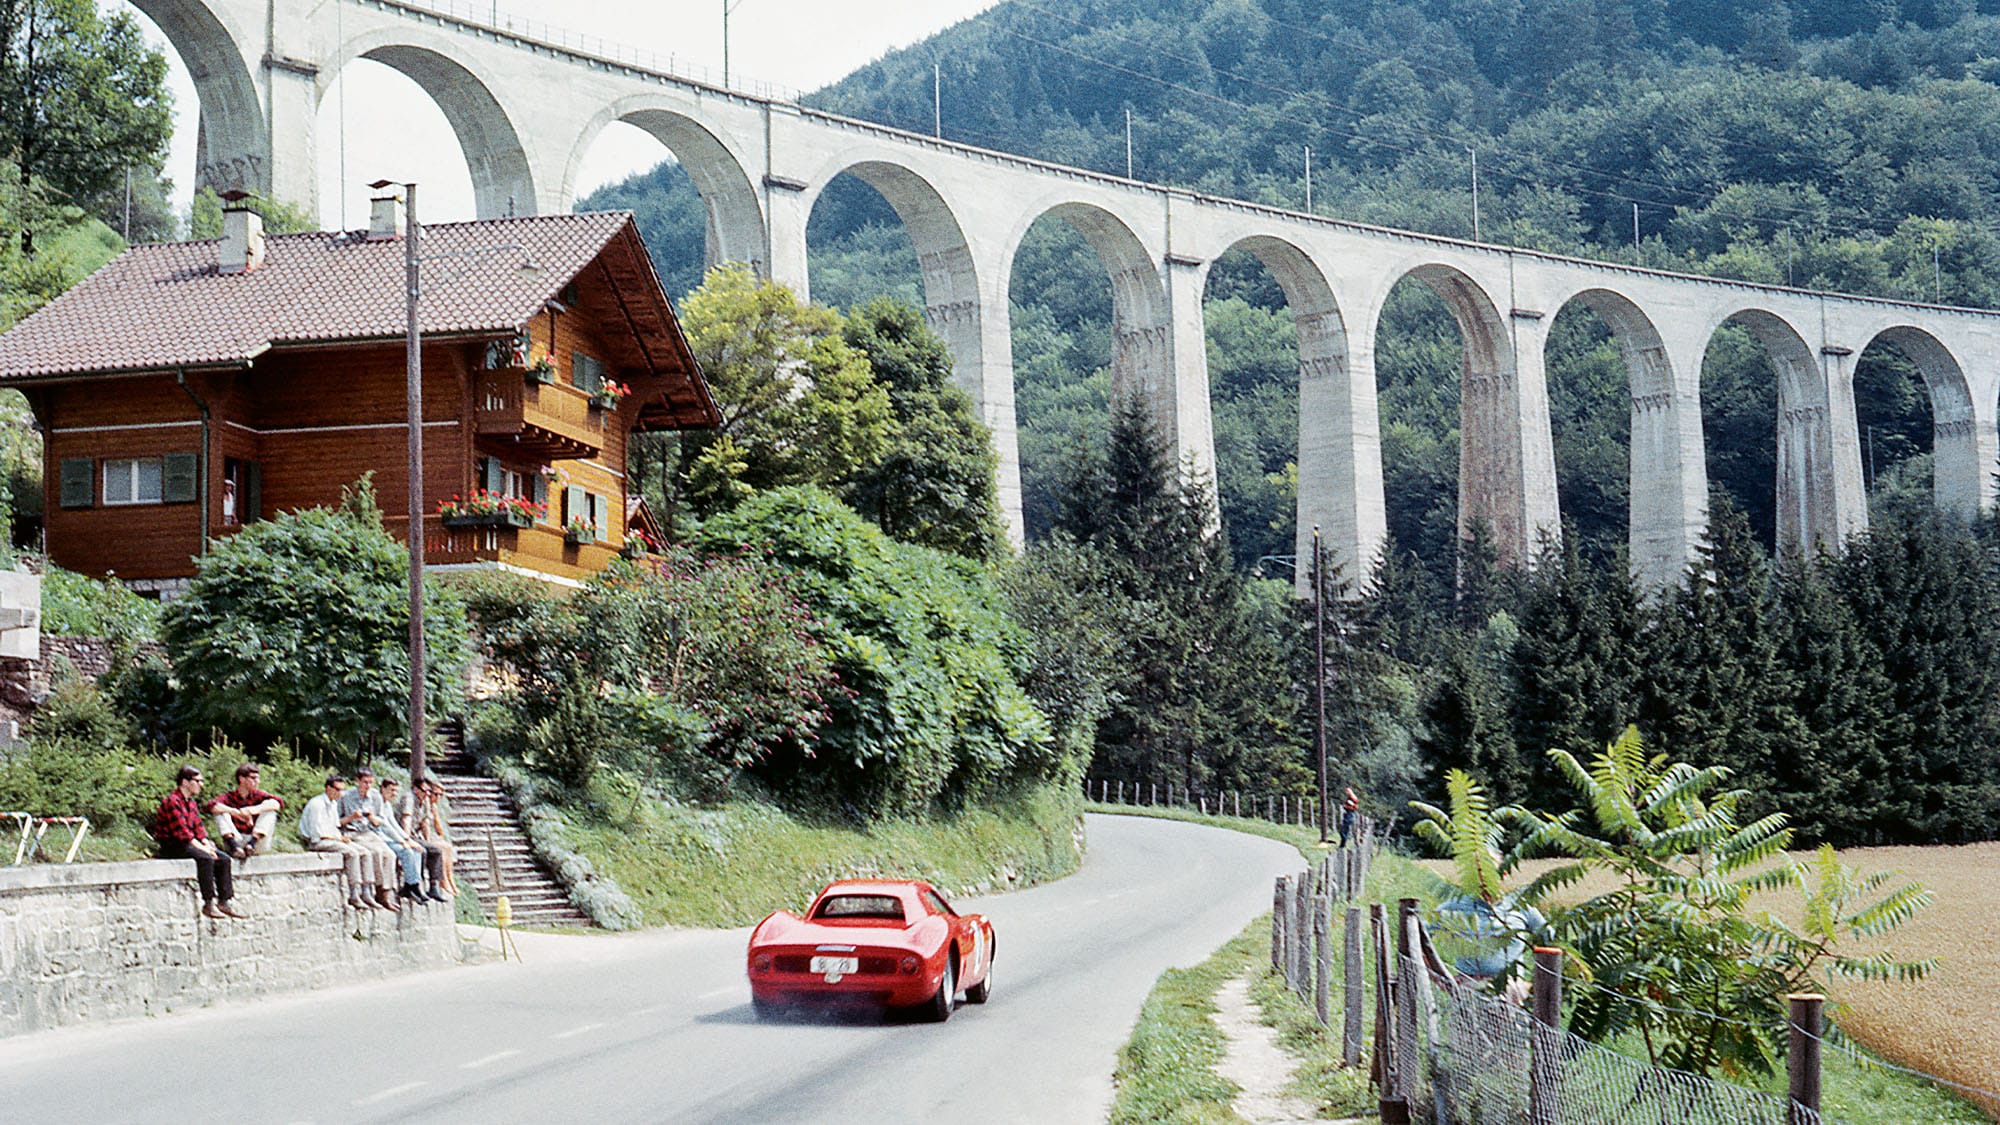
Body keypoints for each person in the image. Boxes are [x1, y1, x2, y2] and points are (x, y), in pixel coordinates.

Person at [152, 765, 244, 919]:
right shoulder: (172, 802)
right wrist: (204, 849)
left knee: (223, 859)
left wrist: (207, 844)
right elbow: (182, 833)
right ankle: (208, 902)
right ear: (185, 782)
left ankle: (224, 901)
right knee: (205, 858)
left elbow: (199, 828)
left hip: (189, 842)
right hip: (173, 844)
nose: (201, 784)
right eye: (197, 781)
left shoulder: (191, 803)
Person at [301, 775, 379, 911]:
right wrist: (338, 839)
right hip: (319, 841)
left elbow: (334, 826)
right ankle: (354, 893)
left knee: (365, 852)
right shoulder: (317, 804)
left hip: (332, 838)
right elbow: (317, 833)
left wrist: (340, 837)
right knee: (352, 854)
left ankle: (367, 891)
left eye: (342, 790)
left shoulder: (332, 804)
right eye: (337, 789)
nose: (340, 793)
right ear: (328, 788)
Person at [336, 768, 405, 911]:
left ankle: (385, 893)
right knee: (374, 853)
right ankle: (370, 892)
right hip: (353, 832)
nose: (367, 786)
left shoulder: (375, 797)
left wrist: (373, 817)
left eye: (371, 783)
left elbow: (381, 821)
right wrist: (351, 817)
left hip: (370, 832)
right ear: (358, 781)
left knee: (390, 855)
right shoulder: (346, 797)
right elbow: (336, 821)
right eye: (365, 782)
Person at [383, 778, 447, 902]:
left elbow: (425, 823)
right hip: (402, 834)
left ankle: (434, 886)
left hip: (414, 835)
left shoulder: (425, 800)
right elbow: (406, 821)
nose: (427, 794)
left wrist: (428, 841)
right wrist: (407, 841)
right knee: (421, 850)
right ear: (415, 789)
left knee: (436, 851)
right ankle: (417, 884)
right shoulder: (409, 798)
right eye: (424, 791)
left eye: (429, 791)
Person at [206, 762, 283, 860]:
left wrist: (251, 810)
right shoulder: (229, 797)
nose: (257, 781)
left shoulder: (259, 795)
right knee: (221, 812)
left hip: (257, 841)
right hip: (236, 839)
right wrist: (236, 813)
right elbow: (211, 806)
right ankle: (234, 847)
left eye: (258, 778)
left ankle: (251, 844)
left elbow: (277, 803)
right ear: (242, 779)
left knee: (270, 812)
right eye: (253, 778)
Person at [420, 777, 460, 898]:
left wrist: (436, 814)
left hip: (432, 835)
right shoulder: (425, 804)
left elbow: (439, 829)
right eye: (435, 794)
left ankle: (449, 878)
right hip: (422, 835)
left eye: (440, 795)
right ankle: (443, 880)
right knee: (441, 848)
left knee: (447, 847)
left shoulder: (434, 807)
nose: (437, 797)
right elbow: (424, 825)